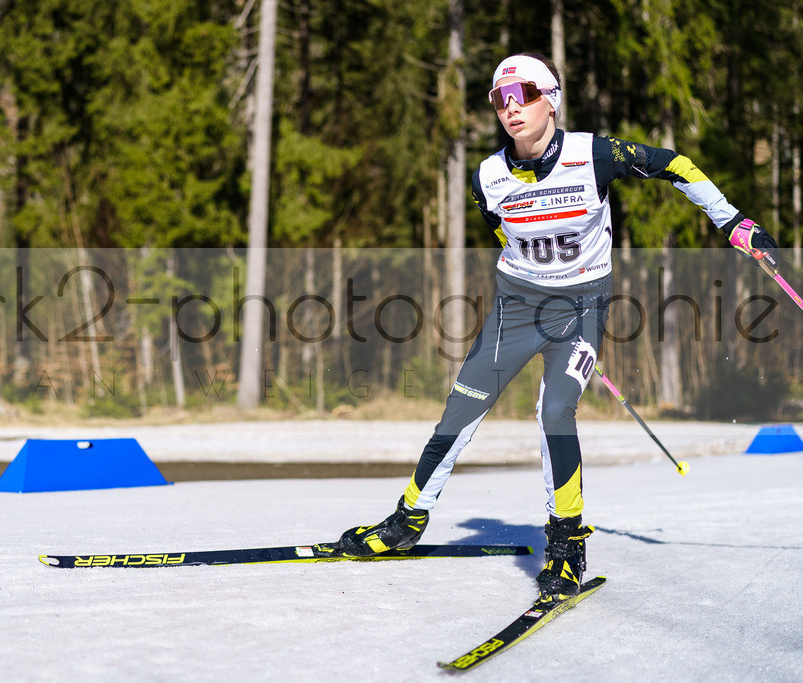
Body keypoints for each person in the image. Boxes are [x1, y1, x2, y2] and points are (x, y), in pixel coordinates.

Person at [334, 52, 779, 601]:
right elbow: (502, 233)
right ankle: (407, 522)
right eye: (500, 99)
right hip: (517, 307)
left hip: (582, 310)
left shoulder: (595, 154)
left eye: (523, 94)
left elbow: (678, 166)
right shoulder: (489, 176)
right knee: (462, 407)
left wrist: (732, 221)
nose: (510, 108)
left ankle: (567, 545)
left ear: (552, 99)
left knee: (556, 411)